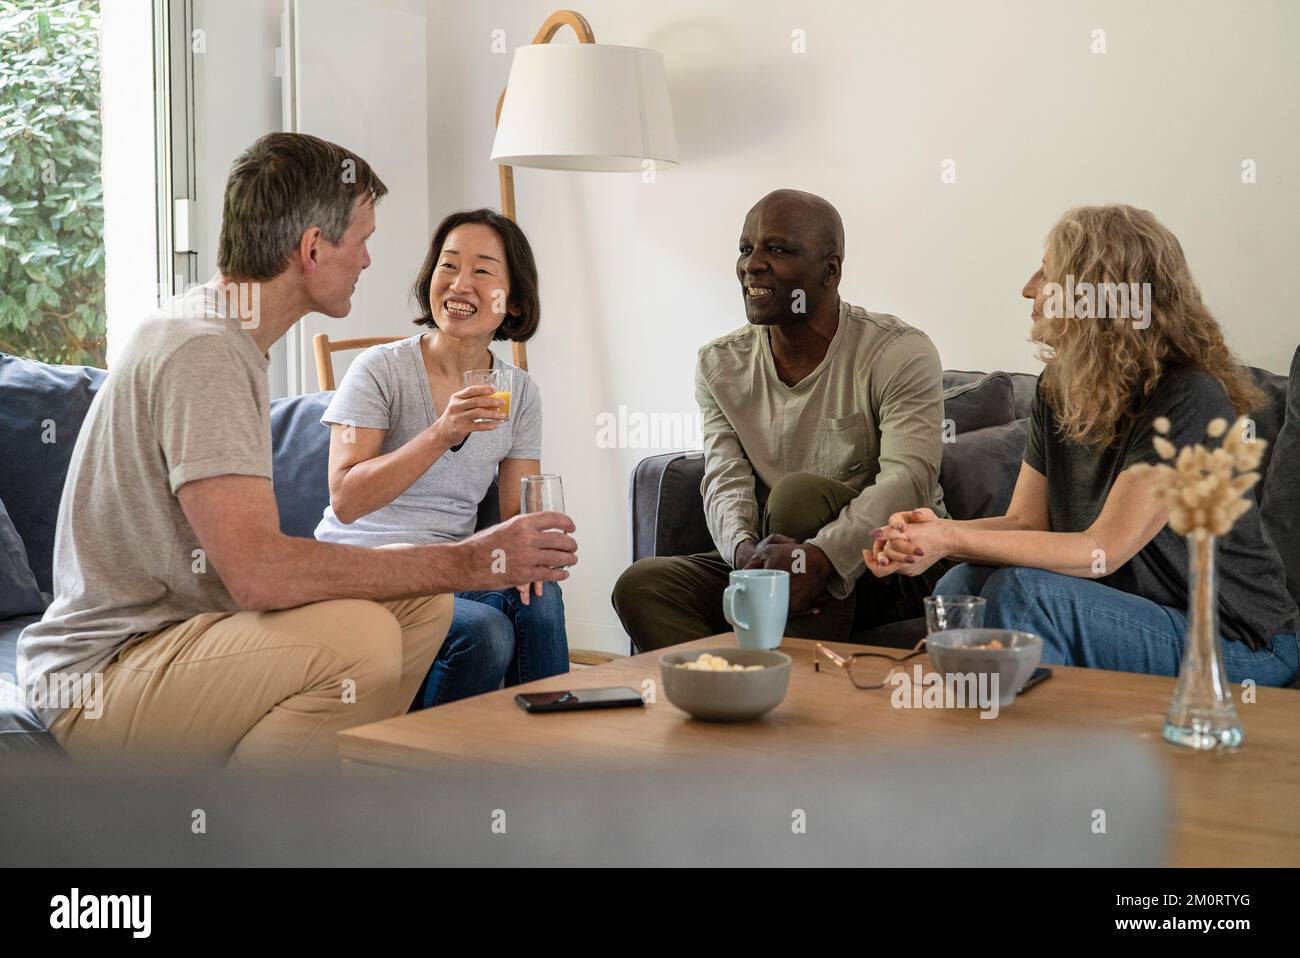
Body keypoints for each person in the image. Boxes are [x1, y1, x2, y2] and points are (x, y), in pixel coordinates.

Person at [16, 134, 578, 767]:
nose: (368, 260)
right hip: (111, 670)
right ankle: (262, 834)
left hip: (191, 635)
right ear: (313, 248)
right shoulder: (204, 349)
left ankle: (364, 784)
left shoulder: (230, 340)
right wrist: (467, 561)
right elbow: (259, 575)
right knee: (363, 636)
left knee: (420, 610)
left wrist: (470, 564)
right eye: (361, 238)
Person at [868, 204, 1298, 686]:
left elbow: (1104, 550)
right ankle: (982, 739)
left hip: (1237, 643)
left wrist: (950, 538)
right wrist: (933, 537)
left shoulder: (1188, 396)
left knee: (1027, 596)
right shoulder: (1059, 387)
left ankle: (1041, 751)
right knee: (960, 585)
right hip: (1131, 615)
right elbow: (1025, 523)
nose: (1028, 288)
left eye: (1047, 273)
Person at [612, 189, 949, 650]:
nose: (752, 264)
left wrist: (823, 554)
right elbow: (724, 478)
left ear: (830, 270)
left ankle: (791, 702)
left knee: (798, 495)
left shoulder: (898, 352)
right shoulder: (720, 365)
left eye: (777, 249)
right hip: (774, 562)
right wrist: (744, 553)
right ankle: (735, 690)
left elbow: (909, 478)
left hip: (888, 563)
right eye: (746, 249)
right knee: (643, 584)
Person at [315, 209, 568, 707]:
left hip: (450, 569)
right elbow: (346, 499)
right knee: (486, 632)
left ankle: (548, 765)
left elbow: (519, 516)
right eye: (448, 265)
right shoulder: (379, 370)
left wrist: (538, 548)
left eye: (482, 270)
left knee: (539, 598)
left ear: (512, 301)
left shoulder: (519, 393)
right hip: (366, 567)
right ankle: (423, 770)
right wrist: (441, 432)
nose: (459, 283)